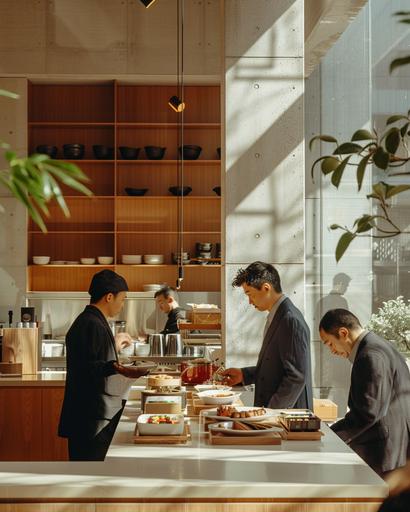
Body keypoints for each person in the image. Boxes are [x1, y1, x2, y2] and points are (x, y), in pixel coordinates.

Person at [58, 269, 150, 461]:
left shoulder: (92, 321)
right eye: (123, 299)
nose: (122, 305)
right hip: (91, 420)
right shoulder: (92, 324)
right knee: (89, 477)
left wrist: (115, 360)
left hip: (93, 416)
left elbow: (94, 361)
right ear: (109, 297)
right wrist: (120, 369)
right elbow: (90, 370)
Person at [319, 308, 410, 477]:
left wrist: (330, 434)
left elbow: (368, 412)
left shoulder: (370, 355)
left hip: (384, 451)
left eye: (330, 343)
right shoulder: (379, 345)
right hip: (395, 445)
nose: (331, 351)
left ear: (343, 333)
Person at [222, 261, 313, 409]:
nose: (250, 301)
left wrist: (271, 412)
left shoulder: (290, 320)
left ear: (266, 288)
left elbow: (296, 377)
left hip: (288, 419)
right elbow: (276, 367)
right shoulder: (278, 315)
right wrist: (244, 375)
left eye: (249, 294)